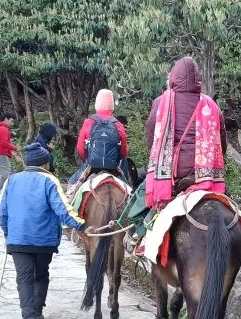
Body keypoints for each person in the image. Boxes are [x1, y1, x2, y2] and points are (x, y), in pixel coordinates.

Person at [0, 143, 85, 319]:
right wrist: (81, 225)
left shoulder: (11, 180)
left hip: (18, 240)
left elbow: (1, 210)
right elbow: (62, 208)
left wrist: (7, 232)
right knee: (41, 274)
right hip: (44, 241)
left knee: (24, 279)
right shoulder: (50, 181)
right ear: (45, 163)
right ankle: (37, 313)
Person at [144, 56, 227, 209]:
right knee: (228, 204)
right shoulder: (211, 105)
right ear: (198, 79)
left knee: (148, 215)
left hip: (174, 175)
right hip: (205, 177)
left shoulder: (160, 102)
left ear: (173, 78)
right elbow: (221, 145)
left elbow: (151, 139)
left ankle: (140, 231)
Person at [70, 89, 128, 185]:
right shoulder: (117, 124)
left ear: (97, 103)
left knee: (71, 183)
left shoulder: (89, 122)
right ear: (112, 105)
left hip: (92, 166)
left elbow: (80, 148)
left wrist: (88, 158)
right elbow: (123, 152)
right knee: (127, 189)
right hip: (113, 166)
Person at [0, 112, 18, 206]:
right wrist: (15, 148)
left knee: (6, 176)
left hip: (2, 155)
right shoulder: (3, 129)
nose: (12, 124)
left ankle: (1, 196)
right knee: (6, 176)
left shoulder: (1, 128)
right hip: (1, 155)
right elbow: (4, 143)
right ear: (6, 119)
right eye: (11, 121)